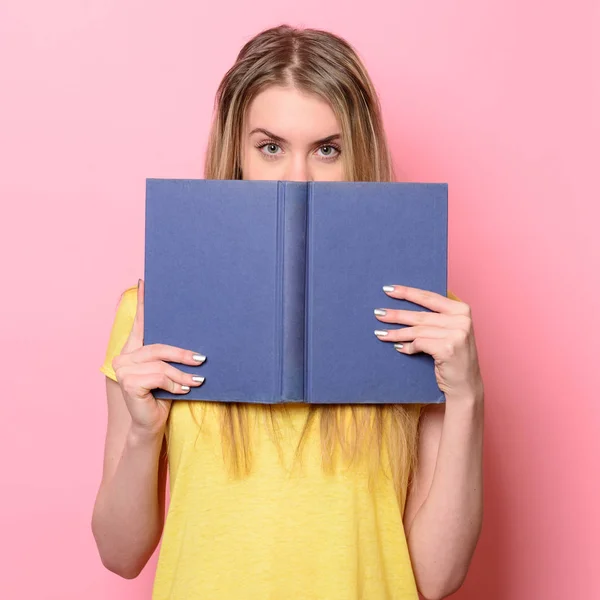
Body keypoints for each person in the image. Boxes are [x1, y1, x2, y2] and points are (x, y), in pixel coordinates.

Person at [92, 24, 484, 600]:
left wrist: (468, 395)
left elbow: (437, 576)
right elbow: (120, 555)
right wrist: (143, 435)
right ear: (237, 152)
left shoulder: (427, 321)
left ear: (360, 155)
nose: (298, 178)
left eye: (328, 149)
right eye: (270, 147)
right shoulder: (151, 311)